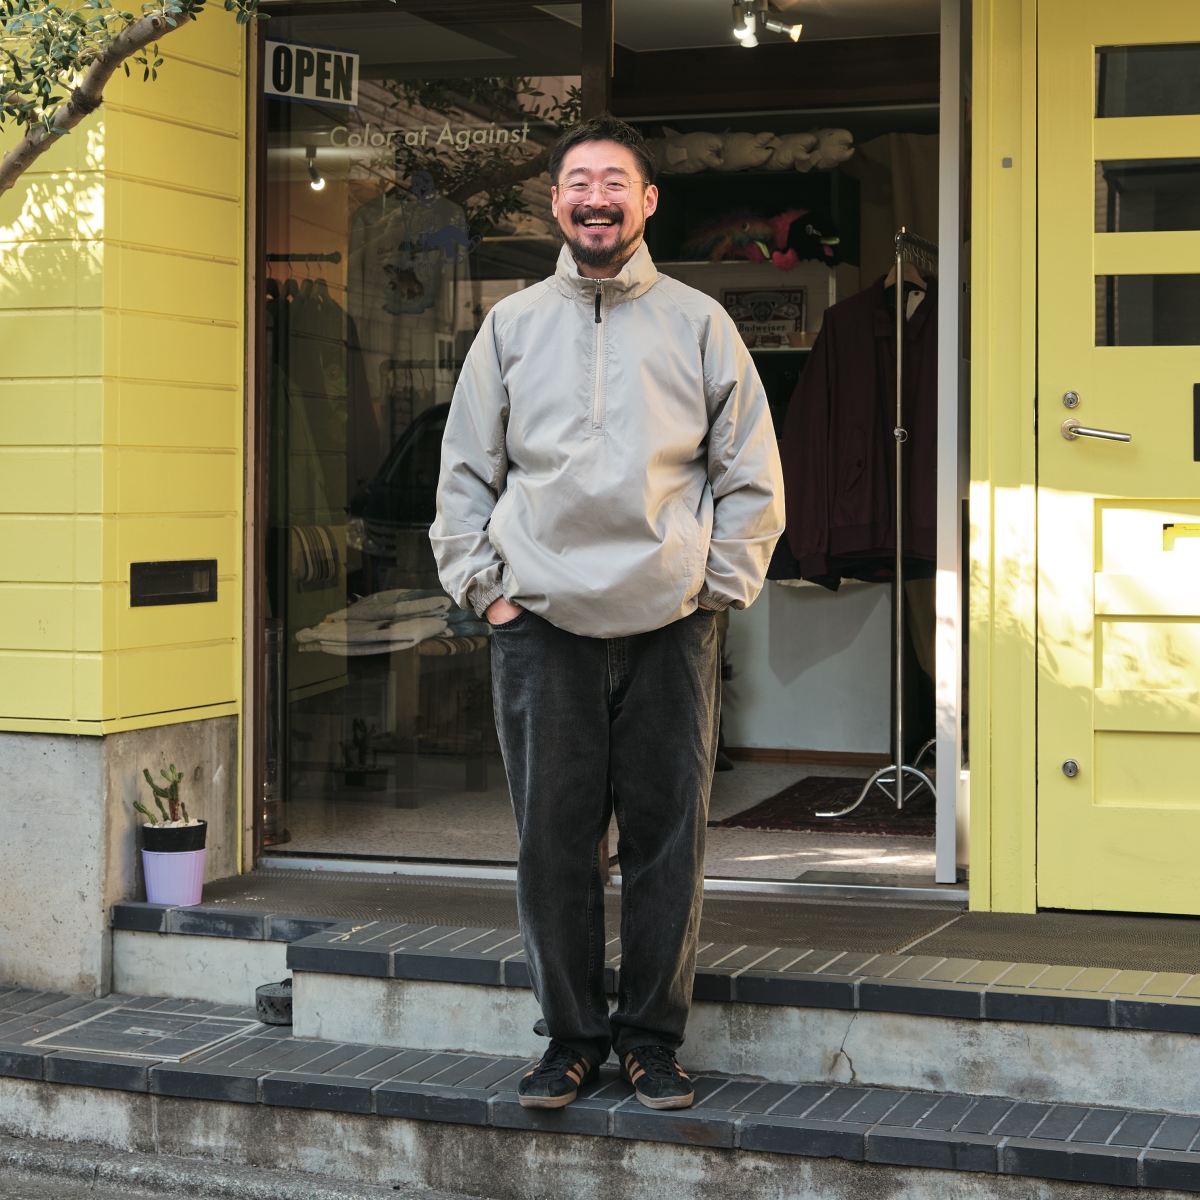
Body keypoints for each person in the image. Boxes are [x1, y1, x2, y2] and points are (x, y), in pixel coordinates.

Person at [431, 115, 784, 1111]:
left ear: (647, 201)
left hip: (672, 620)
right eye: (579, 182)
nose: (597, 198)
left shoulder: (700, 323)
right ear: (555, 203)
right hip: (540, 623)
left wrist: (716, 586)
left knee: (669, 841)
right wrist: (488, 592)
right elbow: (463, 474)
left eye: (615, 182)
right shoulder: (510, 326)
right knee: (553, 845)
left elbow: (750, 469)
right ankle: (571, 1040)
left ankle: (652, 1041)